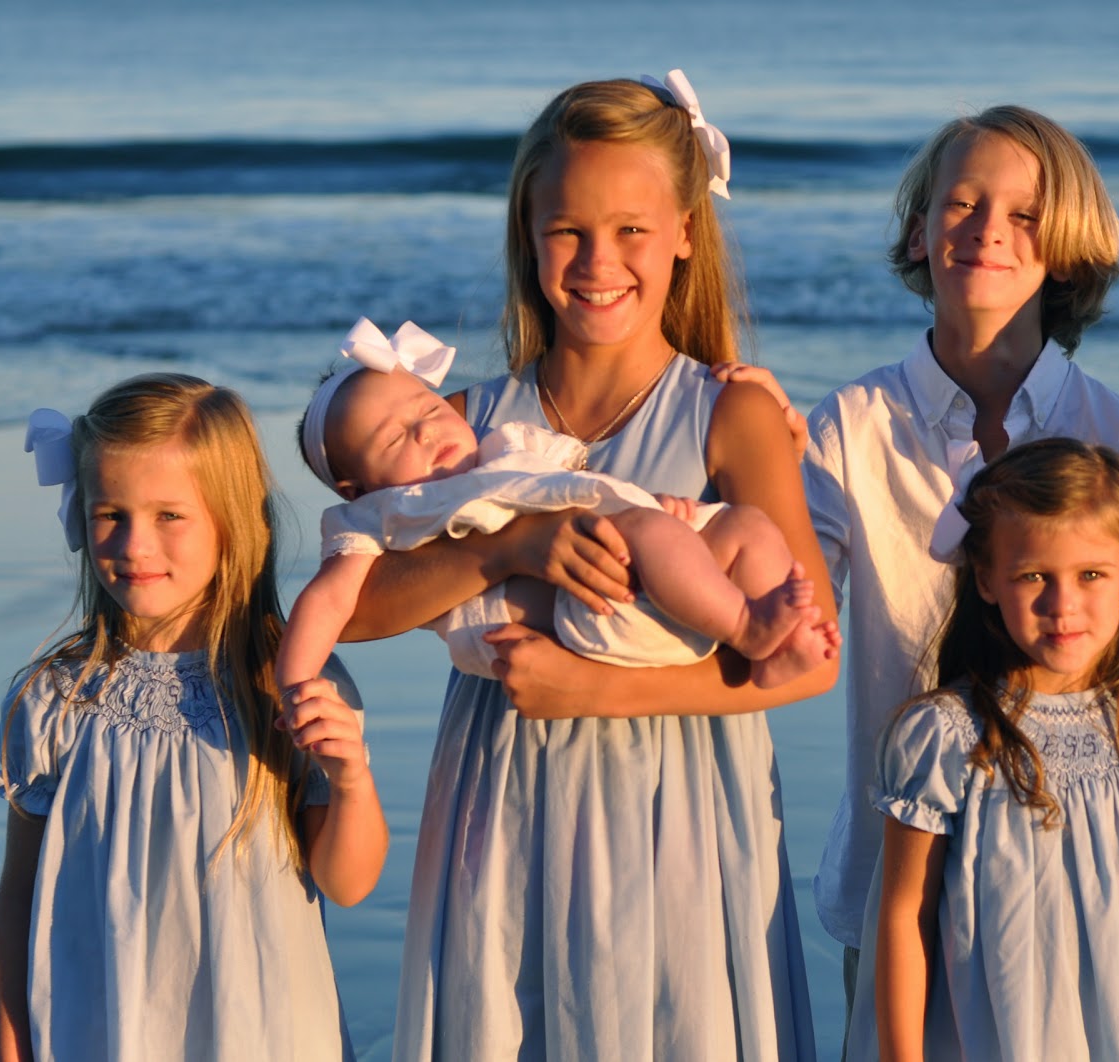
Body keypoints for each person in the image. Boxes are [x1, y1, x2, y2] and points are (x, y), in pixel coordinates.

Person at [334, 71, 836, 1060]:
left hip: (680, 808)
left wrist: (595, 691)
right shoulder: (459, 427)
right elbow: (355, 606)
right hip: (504, 801)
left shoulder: (728, 415)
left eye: (630, 230)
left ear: (685, 230)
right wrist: (508, 547)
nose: (598, 262)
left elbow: (811, 657)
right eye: (566, 230)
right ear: (527, 237)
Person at [788, 104, 1119, 1039]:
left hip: (1075, 871)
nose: (988, 228)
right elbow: (793, 619)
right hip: (898, 871)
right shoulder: (850, 427)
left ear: (1069, 250)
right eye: (962, 203)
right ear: (919, 232)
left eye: (1025, 214)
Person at [0, 374, 387, 1062]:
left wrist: (351, 780)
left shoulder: (287, 683)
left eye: (169, 515)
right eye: (110, 514)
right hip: (100, 1030)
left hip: (261, 1032)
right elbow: (19, 902)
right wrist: (11, 1045)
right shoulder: (54, 698)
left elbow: (346, 884)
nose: (134, 545)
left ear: (232, 521)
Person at [842, 438, 1119, 1060]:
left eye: (1091, 575)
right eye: (1034, 575)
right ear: (987, 579)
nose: (1063, 605)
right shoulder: (947, 737)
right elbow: (906, 918)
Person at [280, 317, 831, 691]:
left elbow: (589, 488)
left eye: (428, 410)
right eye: (394, 439)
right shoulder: (382, 512)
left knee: (746, 526)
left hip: (633, 576)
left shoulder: (505, 445)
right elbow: (331, 604)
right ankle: (747, 626)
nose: (426, 431)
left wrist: (661, 509)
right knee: (651, 531)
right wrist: (295, 685)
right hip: (573, 614)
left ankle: (777, 650)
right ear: (357, 488)